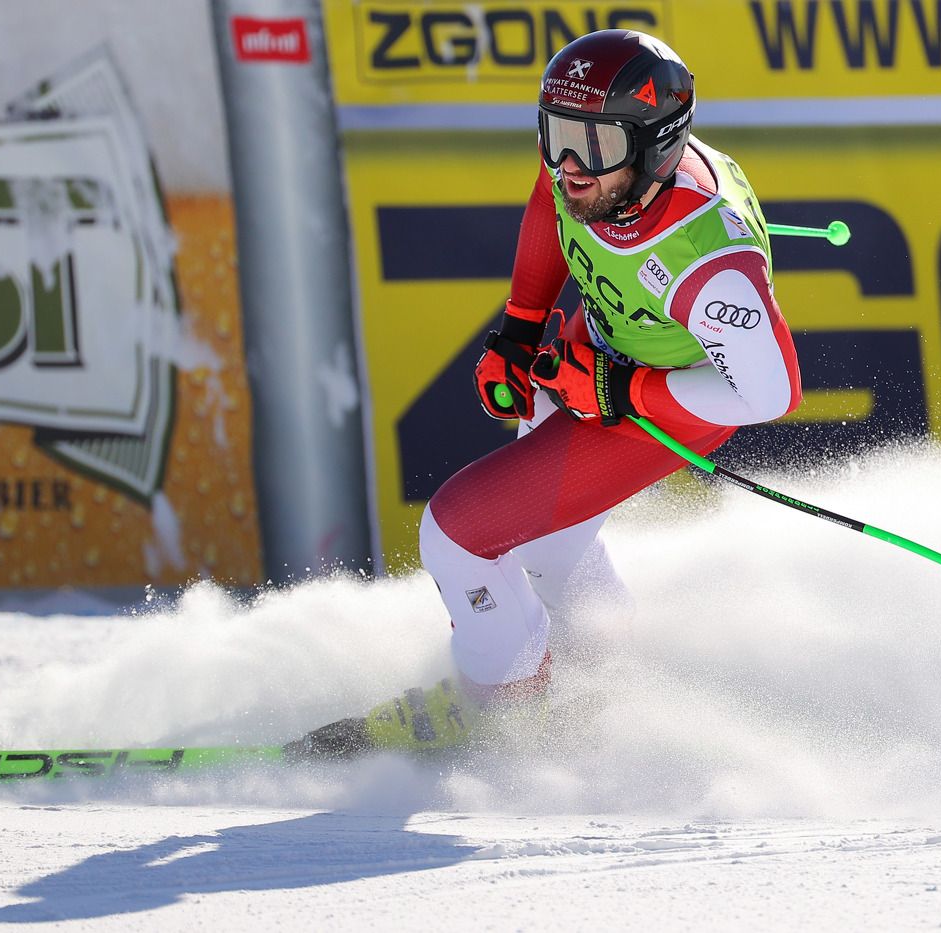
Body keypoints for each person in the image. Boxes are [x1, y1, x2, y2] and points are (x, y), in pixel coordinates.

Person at [289, 29, 802, 760]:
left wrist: (623, 390)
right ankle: (608, 679)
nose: (567, 166)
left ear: (655, 145)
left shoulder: (706, 260)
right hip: (598, 359)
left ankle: (504, 713)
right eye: (555, 136)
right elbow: (546, 203)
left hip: (666, 408)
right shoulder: (599, 176)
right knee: (540, 548)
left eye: (590, 147)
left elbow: (769, 391)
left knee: (457, 535)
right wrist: (520, 332)